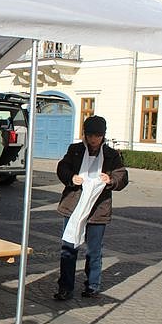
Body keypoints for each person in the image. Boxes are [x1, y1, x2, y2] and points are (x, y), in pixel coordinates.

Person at [54, 115, 128, 301]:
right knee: (68, 247)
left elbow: (122, 176)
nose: (94, 139)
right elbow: (62, 168)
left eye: (98, 135)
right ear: (84, 135)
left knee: (94, 250)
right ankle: (65, 287)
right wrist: (71, 177)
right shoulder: (75, 150)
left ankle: (92, 285)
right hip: (73, 205)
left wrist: (111, 180)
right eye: (90, 135)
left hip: (98, 209)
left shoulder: (112, 155)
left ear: (103, 136)